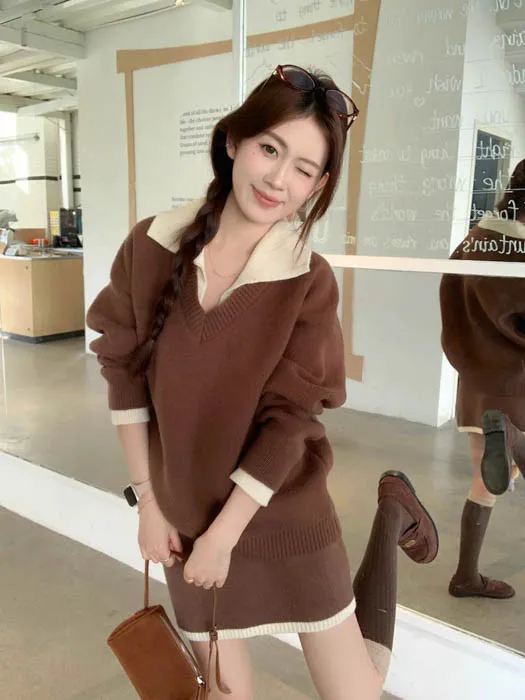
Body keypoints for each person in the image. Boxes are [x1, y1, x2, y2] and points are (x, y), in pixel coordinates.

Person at [87, 64, 438, 700]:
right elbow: (124, 373)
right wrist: (149, 503)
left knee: (355, 693)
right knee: (224, 695)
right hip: (185, 520)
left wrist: (225, 536)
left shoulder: (308, 280)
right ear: (234, 141)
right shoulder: (151, 247)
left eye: (303, 168)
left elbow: (291, 420)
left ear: (318, 185)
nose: (278, 179)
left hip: (282, 511)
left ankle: (390, 516)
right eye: (270, 149)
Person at [440, 159, 525, 600]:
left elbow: (451, 304)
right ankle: (513, 439)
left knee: (483, 482)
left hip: (476, 383)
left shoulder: (474, 240)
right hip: (517, 382)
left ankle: (466, 576)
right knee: (502, 471)